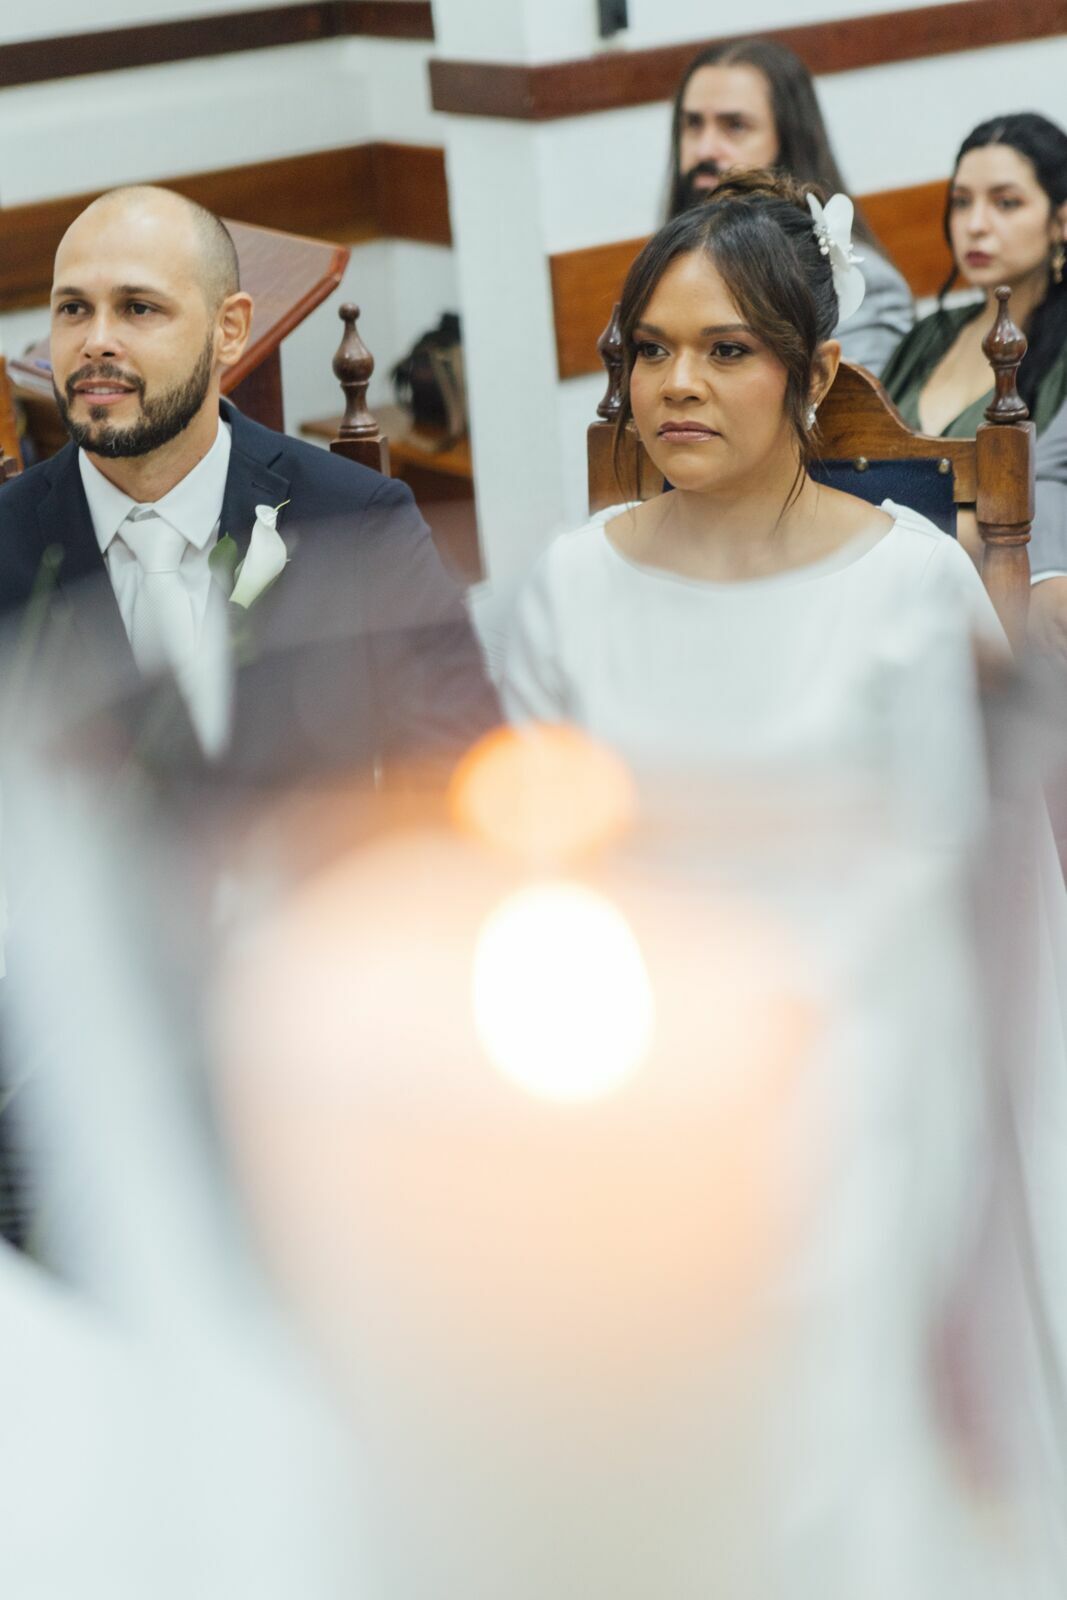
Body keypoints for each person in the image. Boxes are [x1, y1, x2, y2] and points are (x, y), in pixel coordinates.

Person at [502, 172, 1067, 1587]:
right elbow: (532, 896)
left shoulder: (910, 589)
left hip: (875, 1107)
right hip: (646, 1109)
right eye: (648, 348)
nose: (675, 384)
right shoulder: (566, 589)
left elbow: (999, 914)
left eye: (726, 349)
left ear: (813, 372)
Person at [0, 185, 500, 780]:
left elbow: (464, 770)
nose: (95, 340)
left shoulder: (356, 523)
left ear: (229, 330)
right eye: (73, 308)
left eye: (138, 308)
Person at [879, 113, 1067, 658]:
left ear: (1061, 219)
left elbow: (1048, 505)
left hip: (1015, 618)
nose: (976, 225)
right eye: (962, 202)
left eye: (1006, 203)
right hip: (897, 605)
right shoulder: (929, 335)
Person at [664, 38, 913, 376]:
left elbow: (853, 424)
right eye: (693, 124)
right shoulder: (669, 267)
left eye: (734, 126)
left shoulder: (860, 284)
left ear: (791, 140)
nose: (705, 149)